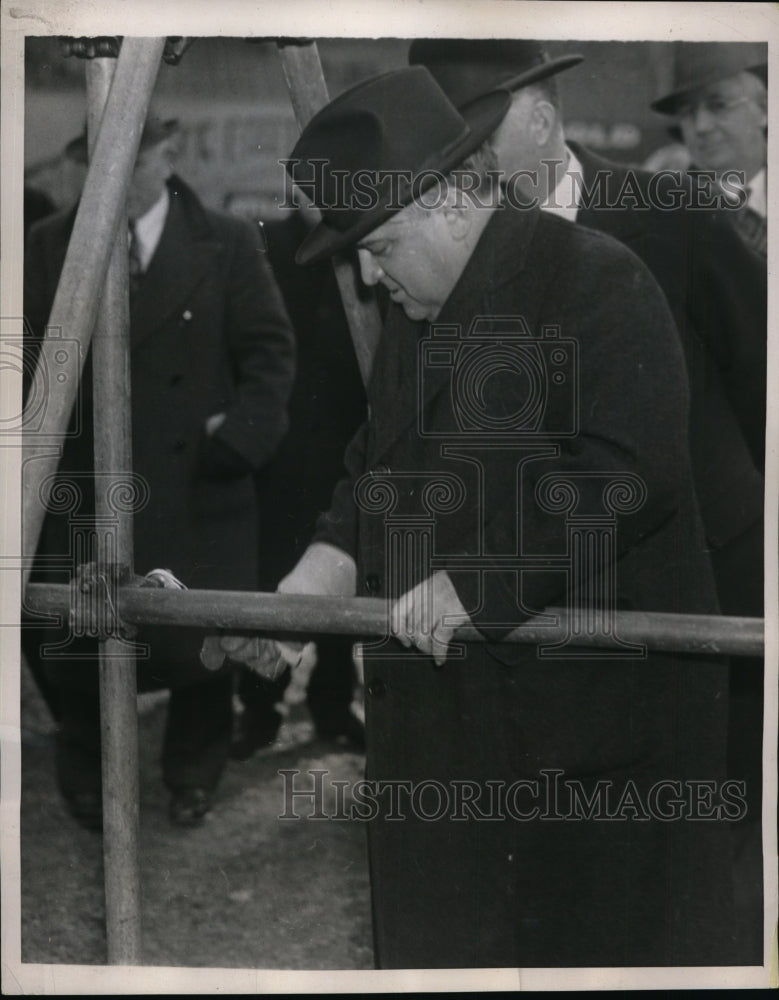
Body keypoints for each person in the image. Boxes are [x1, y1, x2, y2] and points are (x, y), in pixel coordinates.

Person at [217, 66, 736, 968]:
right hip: (459, 744)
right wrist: (305, 593)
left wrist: (477, 581)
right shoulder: (421, 324)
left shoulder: (595, 280)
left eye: (379, 250)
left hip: (586, 762)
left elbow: (626, 471)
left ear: (451, 202)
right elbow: (376, 477)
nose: (374, 282)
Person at [409, 37, 766, 961]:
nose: (467, 168)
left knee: (713, 815)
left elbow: (761, 374)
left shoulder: (671, 210)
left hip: (703, 572)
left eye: (478, 137)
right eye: (451, 150)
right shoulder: (457, 248)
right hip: (547, 590)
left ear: (540, 109)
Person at [23, 116, 295, 829]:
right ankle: (86, 767)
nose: (114, 173)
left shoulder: (228, 241)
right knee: (78, 639)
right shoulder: (49, 246)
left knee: (201, 642)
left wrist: (240, 438)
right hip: (88, 488)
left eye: (149, 154)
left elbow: (269, 352)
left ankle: (192, 771)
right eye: (98, 157)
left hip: (198, 485)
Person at [231, 195, 367, 757]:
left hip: (346, 442)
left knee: (341, 567)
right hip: (279, 453)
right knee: (272, 574)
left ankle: (334, 708)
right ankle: (260, 709)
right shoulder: (264, 241)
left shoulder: (365, 241)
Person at [651, 41, 767, 257]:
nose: (701, 126)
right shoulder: (665, 211)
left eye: (718, 104)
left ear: (763, 109)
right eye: (687, 111)